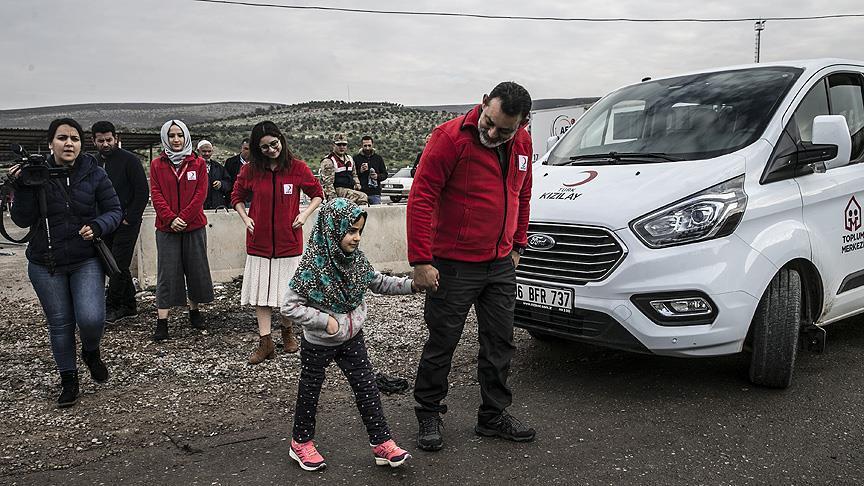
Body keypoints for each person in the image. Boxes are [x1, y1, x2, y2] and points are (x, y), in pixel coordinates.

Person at [407, 81, 536, 451]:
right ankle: (429, 411)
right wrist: (421, 260)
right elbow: (421, 197)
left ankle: (493, 416)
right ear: (483, 103)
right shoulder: (448, 139)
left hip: (500, 264)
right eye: (489, 122)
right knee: (442, 342)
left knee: (500, 343)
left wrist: (518, 245)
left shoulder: (523, 144)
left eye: (504, 130)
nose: (492, 133)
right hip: (453, 265)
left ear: (522, 124)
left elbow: (523, 194)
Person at [281, 198, 414, 471]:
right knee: (310, 392)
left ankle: (382, 443)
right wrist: (324, 321)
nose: (356, 238)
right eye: (351, 231)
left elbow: (379, 282)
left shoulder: (356, 261)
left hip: (352, 338)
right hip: (318, 343)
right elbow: (289, 306)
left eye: (359, 231)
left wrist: (413, 285)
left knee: (367, 388)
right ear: (333, 229)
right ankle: (300, 443)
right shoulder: (312, 267)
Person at [9, 118, 122, 407]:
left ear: (81, 144)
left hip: (85, 259)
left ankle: (91, 351)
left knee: (91, 318)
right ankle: (69, 380)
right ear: (50, 143)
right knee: (60, 324)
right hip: (45, 263)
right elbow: (21, 220)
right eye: (62, 138)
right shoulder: (35, 174)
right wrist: (22, 186)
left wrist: (97, 225)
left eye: (74, 138)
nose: (68, 143)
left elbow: (114, 210)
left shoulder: (95, 173)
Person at [231, 121, 324, 363]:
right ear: (257, 149)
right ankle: (266, 342)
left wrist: (304, 214)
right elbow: (236, 196)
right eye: (264, 147)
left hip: (288, 242)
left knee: (287, 292)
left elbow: (317, 194)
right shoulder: (251, 170)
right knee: (261, 293)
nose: (272, 150)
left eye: (274, 144)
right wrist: (245, 218)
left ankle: (287, 331)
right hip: (259, 243)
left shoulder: (297, 168)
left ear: (281, 140)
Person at [149, 120, 214, 341]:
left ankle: (194, 311)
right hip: (166, 228)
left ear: (186, 137)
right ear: (165, 138)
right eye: (171, 135)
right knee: (166, 272)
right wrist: (170, 219)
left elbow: (200, 194)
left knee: (194, 268)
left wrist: (183, 218)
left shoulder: (198, 163)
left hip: (193, 226)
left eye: (179, 135)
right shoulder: (157, 164)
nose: (176, 139)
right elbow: (156, 194)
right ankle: (162, 321)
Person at [91, 121, 149, 324]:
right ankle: (129, 306)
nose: (105, 144)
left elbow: (142, 191)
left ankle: (112, 306)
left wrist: (129, 218)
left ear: (116, 138)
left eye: (109, 140)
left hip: (126, 222)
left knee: (117, 263)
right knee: (114, 264)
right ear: (94, 141)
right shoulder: (92, 163)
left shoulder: (130, 160)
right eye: (101, 141)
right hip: (104, 223)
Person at [319, 133, 367, 205]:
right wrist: (333, 201)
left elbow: (354, 174)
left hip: (350, 189)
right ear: (333, 145)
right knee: (362, 197)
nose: (342, 147)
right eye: (339, 145)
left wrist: (357, 184)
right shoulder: (329, 161)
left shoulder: (349, 159)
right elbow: (328, 184)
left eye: (344, 145)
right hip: (337, 190)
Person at [354, 136, 388, 205]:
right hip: (360, 193)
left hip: (375, 193)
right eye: (365, 146)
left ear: (373, 145)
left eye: (369, 145)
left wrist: (377, 176)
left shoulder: (378, 158)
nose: (367, 148)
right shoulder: (356, 158)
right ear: (361, 146)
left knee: (376, 211)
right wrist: (360, 171)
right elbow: (352, 175)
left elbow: (385, 174)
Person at [197, 140, 232, 210]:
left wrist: (221, 184)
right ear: (198, 151)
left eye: (209, 151)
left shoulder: (219, 167)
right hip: (199, 206)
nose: (207, 154)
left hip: (216, 206)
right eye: (204, 151)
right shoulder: (192, 167)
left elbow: (228, 183)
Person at [224, 138, 250, 206]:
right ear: (241, 148)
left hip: (252, 200)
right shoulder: (230, 162)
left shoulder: (259, 164)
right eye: (246, 149)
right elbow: (227, 180)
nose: (249, 151)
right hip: (235, 199)